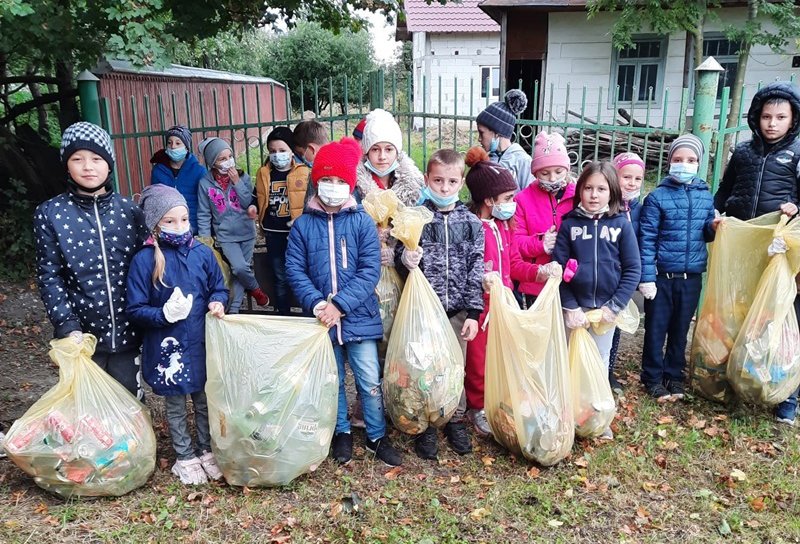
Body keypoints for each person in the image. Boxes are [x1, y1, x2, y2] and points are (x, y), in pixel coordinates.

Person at [285, 137, 402, 467]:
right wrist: (317, 304)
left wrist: (341, 305)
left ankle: (377, 435)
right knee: (332, 379)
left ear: (350, 184)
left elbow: (369, 272)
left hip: (359, 317)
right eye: (326, 180)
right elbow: (295, 268)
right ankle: (342, 433)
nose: (333, 187)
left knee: (368, 379)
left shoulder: (362, 222)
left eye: (340, 181)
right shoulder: (304, 226)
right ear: (316, 182)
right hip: (322, 319)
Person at [34, 122, 149, 397]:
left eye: (97, 158)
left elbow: (146, 265)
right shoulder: (50, 214)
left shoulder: (129, 211)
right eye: (78, 159)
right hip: (82, 337)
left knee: (129, 402)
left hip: (128, 331)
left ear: (109, 164)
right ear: (66, 165)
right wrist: (66, 324)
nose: (88, 166)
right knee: (88, 408)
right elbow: (49, 275)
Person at [126, 184, 228, 485]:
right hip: (166, 346)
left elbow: (218, 286)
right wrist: (163, 315)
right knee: (175, 402)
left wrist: (217, 301)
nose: (179, 227)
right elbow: (135, 308)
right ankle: (184, 456)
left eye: (183, 219)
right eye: (169, 221)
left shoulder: (202, 253)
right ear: (155, 224)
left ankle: (206, 449)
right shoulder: (145, 259)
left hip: (199, 342)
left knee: (203, 400)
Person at [714, 81, 800, 426]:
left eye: (781, 116)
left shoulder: (797, 155)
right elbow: (723, 191)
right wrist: (716, 216)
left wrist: (795, 211)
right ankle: (739, 379)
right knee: (740, 310)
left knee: (780, 318)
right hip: (744, 246)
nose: (772, 123)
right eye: (766, 116)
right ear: (756, 117)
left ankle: (786, 395)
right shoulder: (744, 153)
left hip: (781, 249)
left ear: (792, 119)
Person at [463, 146, 562, 436]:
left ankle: (498, 399)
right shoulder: (473, 227)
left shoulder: (504, 225)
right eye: (507, 199)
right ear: (488, 199)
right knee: (479, 359)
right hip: (482, 308)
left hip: (506, 305)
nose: (513, 204)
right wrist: (482, 280)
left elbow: (515, 264)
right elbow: (468, 267)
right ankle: (476, 406)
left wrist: (539, 272)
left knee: (503, 354)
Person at [396, 149, 485, 459]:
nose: (445, 188)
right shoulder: (415, 218)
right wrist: (405, 259)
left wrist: (474, 312)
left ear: (461, 182)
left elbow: (477, 268)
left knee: (455, 367)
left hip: (459, 310)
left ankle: (455, 418)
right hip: (426, 311)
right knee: (426, 368)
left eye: (451, 181)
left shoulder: (472, 222)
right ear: (426, 180)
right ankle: (429, 423)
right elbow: (399, 256)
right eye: (438, 181)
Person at [552, 161, 641, 439]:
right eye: (588, 188)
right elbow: (558, 269)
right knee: (570, 360)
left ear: (612, 192)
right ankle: (567, 414)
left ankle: (597, 417)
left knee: (600, 363)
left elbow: (633, 269)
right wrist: (570, 307)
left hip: (605, 312)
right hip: (575, 311)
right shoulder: (569, 225)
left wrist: (614, 306)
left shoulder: (621, 225)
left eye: (601, 189)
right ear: (579, 191)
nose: (593, 194)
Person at [638, 135, 722, 401]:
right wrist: (647, 277)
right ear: (669, 162)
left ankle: (673, 376)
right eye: (677, 160)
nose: (683, 164)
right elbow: (647, 239)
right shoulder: (657, 198)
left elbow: (706, 233)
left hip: (691, 277)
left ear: (699, 163)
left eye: (690, 160)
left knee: (680, 329)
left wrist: (713, 227)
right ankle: (651, 376)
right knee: (656, 327)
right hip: (662, 277)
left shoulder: (705, 197)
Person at [197, 136, 268, 313]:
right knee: (239, 267)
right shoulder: (205, 183)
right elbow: (204, 212)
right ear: (213, 163)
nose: (228, 162)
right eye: (222, 159)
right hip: (226, 236)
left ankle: (233, 311)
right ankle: (255, 289)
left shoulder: (242, 177)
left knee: (238, 273)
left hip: (247, 232)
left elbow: (247, 202)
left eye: (229, 156)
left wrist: (236, 182)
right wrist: (205, 239)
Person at [248, 127, 309, 314]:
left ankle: (307, 313)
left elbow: (310, 201)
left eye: (282, 151)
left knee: (302, 274)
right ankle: (283, 314)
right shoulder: (264, 173)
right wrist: (253, 207)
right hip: (274, 234)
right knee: (279, 275)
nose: (277, 155)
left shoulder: (304, 172)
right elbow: (256, 196)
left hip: (297, 234)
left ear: (292, 150)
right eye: (273, 151)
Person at [514, 131, 576, 308]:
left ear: (567, 168)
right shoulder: (522, 200)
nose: (553, 178)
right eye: (545, 173)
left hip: (571, 281)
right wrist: (540, 243)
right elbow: (516, 241)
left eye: (558, 171)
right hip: (537, 283)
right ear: (535, 173)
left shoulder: (579, 195)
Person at [607, 152, 646, 394]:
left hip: (625, 277)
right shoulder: (607, 205)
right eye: (626, 177)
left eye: (637, 179)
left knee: (616, 323)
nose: (631, 183)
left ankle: (608, 371)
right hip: (606, 273)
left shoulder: (641, 208)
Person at [355, 108, 424, 206]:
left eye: (388, 150)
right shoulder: (355, 189)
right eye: (375, 149)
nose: (382, 156)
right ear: (366, 152)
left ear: (397, 153)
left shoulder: (416, 189)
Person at [149, 125, 206, 233]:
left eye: (178, 143)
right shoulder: (158, 171)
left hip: (193, 228)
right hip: (168, 228)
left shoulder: (199, 171)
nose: (173, 146)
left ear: (186, 147)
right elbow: (155, 201)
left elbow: (205, 204)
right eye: (169, 143)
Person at [476, 89, 532, 190]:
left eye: (481, 133)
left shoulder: (523, 162)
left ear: (497, 133)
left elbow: (530, 197)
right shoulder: (486, 160)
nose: (479, 139)